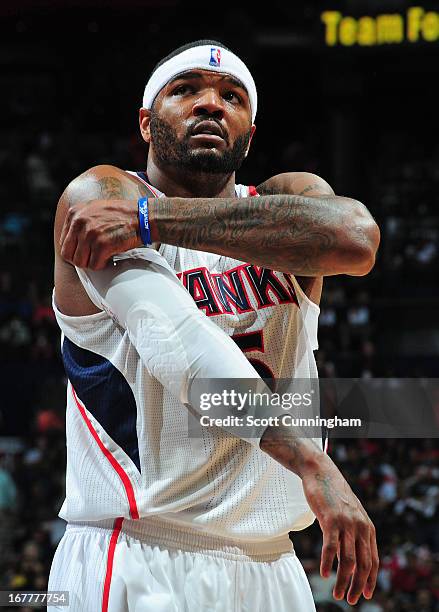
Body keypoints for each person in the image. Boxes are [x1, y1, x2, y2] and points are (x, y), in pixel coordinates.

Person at [49, 40, 380, 611]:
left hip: (271, 561)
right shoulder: (101, 196)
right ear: (147, 124)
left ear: (250, 133)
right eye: (186, 91)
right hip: (138, 554)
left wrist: (155, 221)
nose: (210, 104)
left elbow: (356, 240)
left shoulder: (286, 198)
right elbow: (182, 349)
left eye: (232, 96)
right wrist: (311, 462)